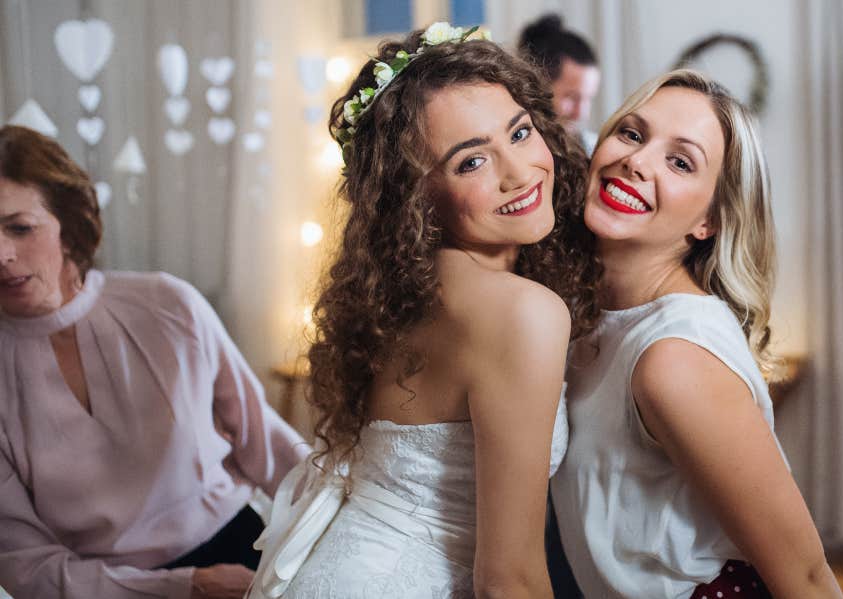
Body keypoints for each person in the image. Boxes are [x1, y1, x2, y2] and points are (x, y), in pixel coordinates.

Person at [246, 23, 601, 599]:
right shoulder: (521, 312)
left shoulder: (404, 292)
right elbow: (510, 580)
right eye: (471, 163)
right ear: (414, 197)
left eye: (519, 132)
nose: (519, 171)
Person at [550, 69, 843, 599]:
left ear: (708, 221)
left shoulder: (674, 357)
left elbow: (805, 574)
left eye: (680, 161)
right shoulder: (583, 315)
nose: (636, 162)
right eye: (632, 134)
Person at [0, 124, 308, 599]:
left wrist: (343, 527)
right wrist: (182, 587)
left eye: (20, 228)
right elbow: (25, 565)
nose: (2, 254)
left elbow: (265, 441)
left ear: (67, 225)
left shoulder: (167, 304)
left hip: (242, 549)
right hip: (104, 590)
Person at [518, 14, 601, 153]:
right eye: (572, 97)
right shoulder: (519, 151)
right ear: (535, 87)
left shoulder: (593, 149)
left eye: (588, 98)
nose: (581, 113)